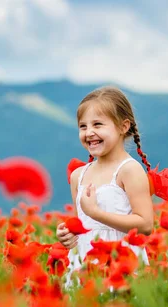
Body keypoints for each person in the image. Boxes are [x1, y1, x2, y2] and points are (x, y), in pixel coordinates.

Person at [56, 86, 154, 288]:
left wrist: (96, 213)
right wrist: (68, 235)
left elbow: (145, 225)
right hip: (85, 263)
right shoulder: (78, 176)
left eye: (98, 124)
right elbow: (81, 225)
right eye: (83, 127)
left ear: (123, 126)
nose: (89, 132)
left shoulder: (129, 171)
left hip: (121, 262)